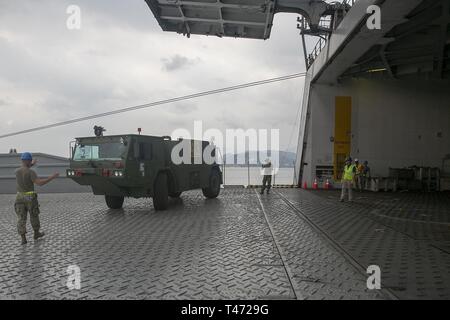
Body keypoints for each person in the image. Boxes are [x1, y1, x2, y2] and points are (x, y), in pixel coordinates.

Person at [14, 152, 59, 245]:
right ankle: (36, 233)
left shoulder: (17, 171)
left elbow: (25, 168)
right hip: (30, 198)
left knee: (21, 218)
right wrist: (52, 177)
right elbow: (40, 183)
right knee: (34, 216)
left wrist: (32, 163)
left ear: (22, 160)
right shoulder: (31, 172)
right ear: (29, 160)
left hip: (19, 197)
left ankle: (23, 238)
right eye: (30, 160)